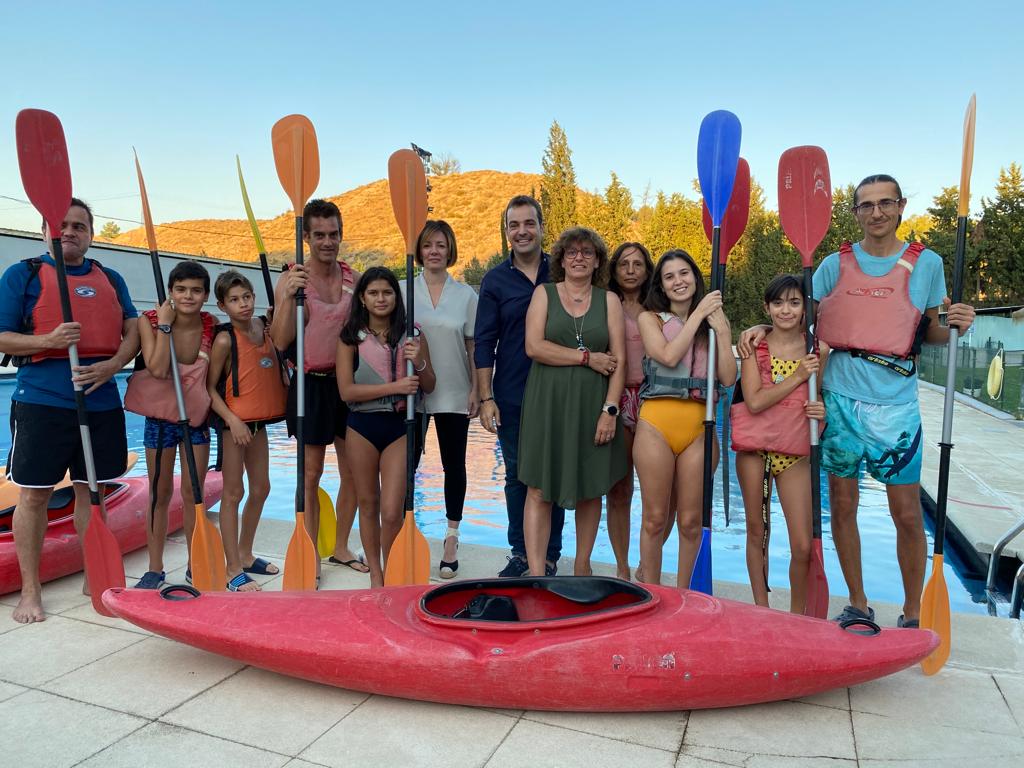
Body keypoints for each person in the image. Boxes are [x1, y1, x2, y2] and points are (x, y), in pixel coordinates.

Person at [738, 174, 975, 627]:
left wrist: (961, 321)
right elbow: (793, 315)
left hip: (896, 406)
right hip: (840, 402)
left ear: (901, 205)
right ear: (855, 212)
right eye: (866, 205)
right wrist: (760, 329)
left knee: (907, 514)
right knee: (842, 507)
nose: (877, 212)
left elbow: (934, 332)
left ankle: (910, 611)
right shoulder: (832, 265)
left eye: (885, 203)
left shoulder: (927, 264)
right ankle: (858, 603)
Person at [0, 198, 139, 622]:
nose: (71, 231)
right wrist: (48, 341)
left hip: (100, 402)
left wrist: (115, 365)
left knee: (90, 492)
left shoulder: (110, 278)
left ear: (91, 234)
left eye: (80, 225)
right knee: (35, 495)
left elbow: (133, 329)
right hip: (42, 401)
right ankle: (30, 591)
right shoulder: (21, 275)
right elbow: (2, 336)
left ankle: (92, 573)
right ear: (45, 231)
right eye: (62, 225)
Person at [519, 227, 628, 577]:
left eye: (587, 252)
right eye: (571, 252)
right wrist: (587, 358)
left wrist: (610, 410)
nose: (579, 257)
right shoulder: (544, 294)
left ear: (597, 261)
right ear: (561, 260)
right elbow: (534, 347)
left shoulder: (609, 300)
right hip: (547, 406)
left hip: (593, 406)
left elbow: (620, 360)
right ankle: (536, 574)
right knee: (538, 488)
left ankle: (582, 566)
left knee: (590, 486)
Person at [270, 199, 367, 575]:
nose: (328, 241)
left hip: (346, 385)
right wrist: (287, 300)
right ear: (306, 237)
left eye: (334, 234)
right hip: (309, 384)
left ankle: (341, 547)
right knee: (310, 473)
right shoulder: (293, 279)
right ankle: (308, 554)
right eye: (320, 235)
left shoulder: (353, 279)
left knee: (353, 474)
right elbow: (279, 341)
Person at [633, 250, 736, 588]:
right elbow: (666, 355)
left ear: (695, 277)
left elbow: (727, 378)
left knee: (691, 522)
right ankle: (649, 591)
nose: (679, 281)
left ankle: (685, 599)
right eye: (670, 276)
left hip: (698, 429)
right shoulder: (650, 318)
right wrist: (699, 315)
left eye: (684, 273)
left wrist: (721, 330)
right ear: (661, 285)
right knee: (655, 519)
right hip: (656, 425)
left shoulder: (714, 321)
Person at [474, 195, 565, 577]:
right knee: (517, 475)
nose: (522, 231)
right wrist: (486, 397)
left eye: (529, 223)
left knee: (554, 475)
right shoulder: (495, 281)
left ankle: (550, 555)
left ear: (542, 227)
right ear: (506, 231)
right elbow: (483, 342)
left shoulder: (561, 272)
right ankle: (522, 553)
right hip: (512, 395)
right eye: (515, 225)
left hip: (560, 393)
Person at [730, 274, 827, 613]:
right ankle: (761, 610)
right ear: (767, 307)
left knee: (802, 545)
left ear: (804, 310)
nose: (786, 310)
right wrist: (799, 375)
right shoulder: (753, 345)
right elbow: (754, 402)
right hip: (755, 452)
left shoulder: (818, 350)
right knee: (757, 533)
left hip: (793, 452)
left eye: (794, 302)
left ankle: (797, 615)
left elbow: (820, 400)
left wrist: (822, 412)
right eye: (778, 303)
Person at [337, 267, 435, 588]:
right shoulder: (351, 336)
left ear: (397, 296)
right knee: (369, 503)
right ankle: (377, 578)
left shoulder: (413, 334)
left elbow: (430, 385)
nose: (381, 299)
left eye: (388, 292)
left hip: (400, 427)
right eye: (374, 293)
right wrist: (394, 388)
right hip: (362, 427)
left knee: (392, 511)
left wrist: (418, 361)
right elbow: (347, 392)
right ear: (362, 298)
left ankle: (393, 572)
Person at [125, 261, 215, 589]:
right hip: (161, 421)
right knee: (159, 494)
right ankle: (154, 567)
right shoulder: (149, 321)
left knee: (194, 493)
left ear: (206, 295)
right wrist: (165, 325)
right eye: (181, 289)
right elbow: (160, 369)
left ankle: (195, 564)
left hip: (195, 422)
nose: (188, 296)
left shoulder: (211, 325)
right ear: (171, 292)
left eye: (195, 290)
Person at [206, 271, 288, 591]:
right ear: (222, 305)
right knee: (233, 493)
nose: (243, 304)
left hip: (258, 423)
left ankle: (246, 552)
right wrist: (232, 420)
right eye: (235, 300)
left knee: (262, 488)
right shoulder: (225, 339)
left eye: (247, 297)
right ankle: (231, 569)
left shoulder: (264, 329)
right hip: (233, 426)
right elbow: (209, 388)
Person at [404, 220, 478, 578]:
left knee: (454, 465)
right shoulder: (404, 289)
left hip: (453, 389)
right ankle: (403, 528)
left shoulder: (465, 295)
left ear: (450, 251)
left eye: (441, 245)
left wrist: (479, 389)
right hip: (411, 392)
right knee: (407, 464)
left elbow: (473, 344)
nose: (435, 251)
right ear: (419, 250)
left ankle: (451, 535)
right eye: (429, 244)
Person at [604, 242, 654, 580]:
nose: (631, 269)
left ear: (647, 270)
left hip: (655, 399)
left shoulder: (659, 305)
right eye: (624, 263)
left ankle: (647, 563)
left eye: (638, 263)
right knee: (620, 489)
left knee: (658, 494)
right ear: (615, 269)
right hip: (617, 398)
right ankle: (622, 568)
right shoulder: (605, 305)